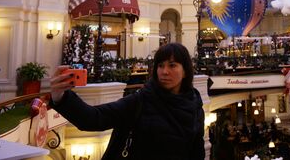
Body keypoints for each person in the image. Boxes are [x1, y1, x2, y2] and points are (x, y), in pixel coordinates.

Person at [50, 43, 205, 160]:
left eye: (172, 65)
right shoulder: (141, 100)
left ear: (185, 71)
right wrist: (61, 97)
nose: (164, 71)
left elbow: (196, 151)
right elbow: (94, 118)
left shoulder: (195, 105)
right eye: (160, 65)